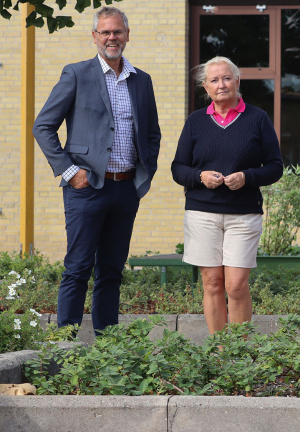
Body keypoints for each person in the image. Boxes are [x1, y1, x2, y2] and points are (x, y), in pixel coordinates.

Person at [33, 6, 160, 333]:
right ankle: (65, 345)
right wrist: (69, 171)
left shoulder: (141, 81)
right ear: (94, 37)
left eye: (117, 31)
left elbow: (152, 134)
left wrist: (146, 171)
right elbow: (43, 126)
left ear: (127, 35)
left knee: (112, 271)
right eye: (105, 32)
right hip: (86, 189)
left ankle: (107, 345)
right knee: (77, 268)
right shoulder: (76, 74)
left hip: (126, 189)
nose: (112, 38)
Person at [171, 56, 283, 334]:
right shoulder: (195, 121)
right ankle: (220, 351)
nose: (221, 84)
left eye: (226, 78)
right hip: (201, 213)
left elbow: (275, 167)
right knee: (212, 283)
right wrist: (200, 177)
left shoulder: (257, 118)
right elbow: (178, 168)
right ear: (205, 87)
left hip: (243, 214)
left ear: (237, 81)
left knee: (235, 285)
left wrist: (248, 177)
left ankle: (238, 353)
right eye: (214, 80)